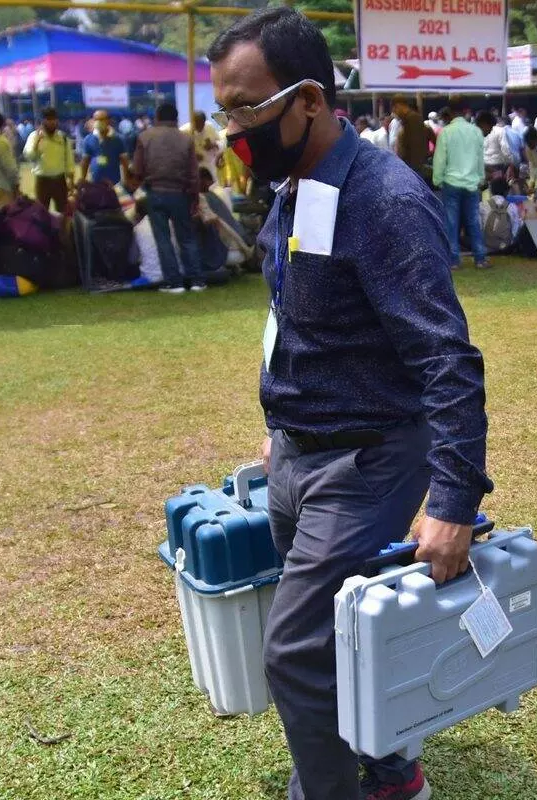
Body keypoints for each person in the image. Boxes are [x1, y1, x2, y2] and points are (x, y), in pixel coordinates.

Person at [208, 9, 493, 799]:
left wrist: (455, 499)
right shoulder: (292, 190)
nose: (234, 129)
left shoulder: (386, 202)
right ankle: (395, 770)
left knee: (294, 651)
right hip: (300, 454)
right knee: (342, 634)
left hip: (368, 462)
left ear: (307, 100)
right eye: (223, 109)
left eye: (246, 108)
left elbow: (447, 357)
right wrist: (280, 425)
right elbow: (293, 310)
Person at [132, 103, 203, 294]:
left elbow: (137, 170)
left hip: (155, 192)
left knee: (163, 239)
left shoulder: (145, 137)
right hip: (180, 193)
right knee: (186, 237)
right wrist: (194, 197)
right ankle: (196, 280)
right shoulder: (186, 139)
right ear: (176, 117)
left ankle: (175, 282)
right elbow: (194, 173)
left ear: (157, 116)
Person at [433, 106, 489, 270]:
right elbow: (480, 158)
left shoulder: (446, 132)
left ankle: (453, 260)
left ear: (449, 115)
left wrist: (438, 179)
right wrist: (480, 178)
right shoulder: (476, 132)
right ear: (465, 114)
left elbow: (440, 158)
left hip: (451, 182)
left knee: (451, 222)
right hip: (471, 182)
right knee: (473, 221)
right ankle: (480, 258)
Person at [24, 108, 74, 213]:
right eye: (48, 119)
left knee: (63, 212)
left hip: (60, 180)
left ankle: (63, 230)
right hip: (42, 181)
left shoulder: (63, 138)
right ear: (43, 121)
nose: (52, 122)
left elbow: (69, 160)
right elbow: (29, 156)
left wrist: (70, 180)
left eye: (54, 119)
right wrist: (36, 142)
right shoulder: (34, 136)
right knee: (41, 213)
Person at [80, 109, 130, 187]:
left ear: (108, 121)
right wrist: (83, 178)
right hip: (95, 182)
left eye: (101, 119)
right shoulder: (88, 139)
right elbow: (85, 161)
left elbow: (124, 161)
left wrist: (126, 179)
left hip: (114, 183)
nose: (98, 122)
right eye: (96, 119)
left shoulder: (118, 139)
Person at [391, 95, 430, 180]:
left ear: (399, 106)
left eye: (395, 109)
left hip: (413, 168)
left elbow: (412, 146)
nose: (394, 112)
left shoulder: (412, 119)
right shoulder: (409, 119)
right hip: (412, 167)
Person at [180, 111, 221, 181]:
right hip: (193, 168)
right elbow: (179, 152)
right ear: (192, 122)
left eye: (202, 124)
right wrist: (192, 155)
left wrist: (212, 145)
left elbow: (220, 143)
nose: (200, 127)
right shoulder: (184, 131)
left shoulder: (209, 127)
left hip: (209, 166)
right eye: (197, 124)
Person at [476, 110, 513, 184]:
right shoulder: (501, 131)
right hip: (497, 164)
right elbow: (505, 149)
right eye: (490, 127)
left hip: (484, 164)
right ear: (485, 124)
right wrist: (509, 163)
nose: (490, 131)